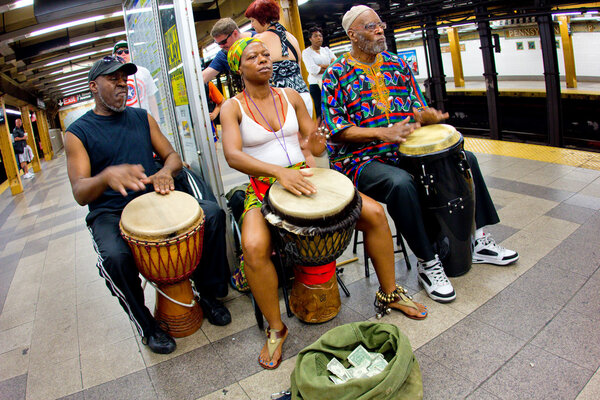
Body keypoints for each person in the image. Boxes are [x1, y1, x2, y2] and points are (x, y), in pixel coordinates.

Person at [220, 37, 428, 370]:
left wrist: (316, 145)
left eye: (265, 55)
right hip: (262, 187)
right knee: (254, 245)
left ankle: (389, 292)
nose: (263, 60)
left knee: (374, 213)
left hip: (306, 178)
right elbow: (232, 155)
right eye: (252, 57)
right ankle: (276, 328)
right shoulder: (232, 108)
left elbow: (314, 146)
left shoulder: (291, 97)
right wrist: (278, 173)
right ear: (237, 67)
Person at [321, 5, 519, 304]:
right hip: (361, 160)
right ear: (353, 34)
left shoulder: (397, 64)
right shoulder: (335, 74)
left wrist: (427, 116)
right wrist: (382, 133)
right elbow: (336, 129)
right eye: (371, 26)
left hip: (404, 151)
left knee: (466, 159)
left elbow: (416, 106)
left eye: (380, 24)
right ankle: (429, 262)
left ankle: (478, 241)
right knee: (401, 184)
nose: (380, 30)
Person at [64, 56, 230, 355]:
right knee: (114, 258)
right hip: (111, 211)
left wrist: (165, 172)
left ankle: (208, 293)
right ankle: (147, 325)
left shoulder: (141, 118)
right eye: (112, 79)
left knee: (213, 214)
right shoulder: (78, 132)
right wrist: (106, 176)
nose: (121, 84)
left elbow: (172, 156)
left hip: (153, 198)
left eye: (124, 78)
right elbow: (79, 191)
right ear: (93, 87)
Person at [245, 0, 313, 117]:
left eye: (252, 20)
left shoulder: (259, 40)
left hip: (281, 99)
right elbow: (300, 70)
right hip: (303, 97)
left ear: (262, 19)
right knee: (306, 135)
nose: (252, 25)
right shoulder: (292, 38)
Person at [113, 41, 160, 120]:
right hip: (124, 121)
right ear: (115, 56)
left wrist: (157, 119)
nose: (123, 54)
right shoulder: (112, 76)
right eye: (119, 52)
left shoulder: (143, 72)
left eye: (127, 51)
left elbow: (151, 97)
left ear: (132, 53)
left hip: (145, 119)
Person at [202, 18, 255, 83]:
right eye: (218, 43)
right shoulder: (224, 54)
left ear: (235, 33)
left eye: (223, 42)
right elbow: (203, 77)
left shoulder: (260, 40)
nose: (221, 46)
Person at [302, 27, 336, 120]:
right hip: (315, 85)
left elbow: (335, 64)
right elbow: (312, 70)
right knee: (319, 108)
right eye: (315, 36)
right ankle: (322, 130)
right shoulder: (306, 52)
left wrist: (321, 66)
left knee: (332, 106)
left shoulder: (326, 50)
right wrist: (328, 66)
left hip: (328, 82)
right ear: (310, 38)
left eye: (320, 36)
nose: (319, 38)